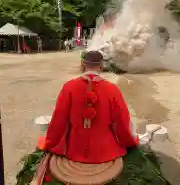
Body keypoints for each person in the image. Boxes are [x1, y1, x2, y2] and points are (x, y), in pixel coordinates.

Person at [16, 51, 171, 185]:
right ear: (101, 66)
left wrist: (49, 144)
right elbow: (123, 126)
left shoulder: (69, 87)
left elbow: (58, 123)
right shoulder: (112, 90)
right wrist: (131, 142)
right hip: (106, 152)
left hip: (73, 151)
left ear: (83, 64)